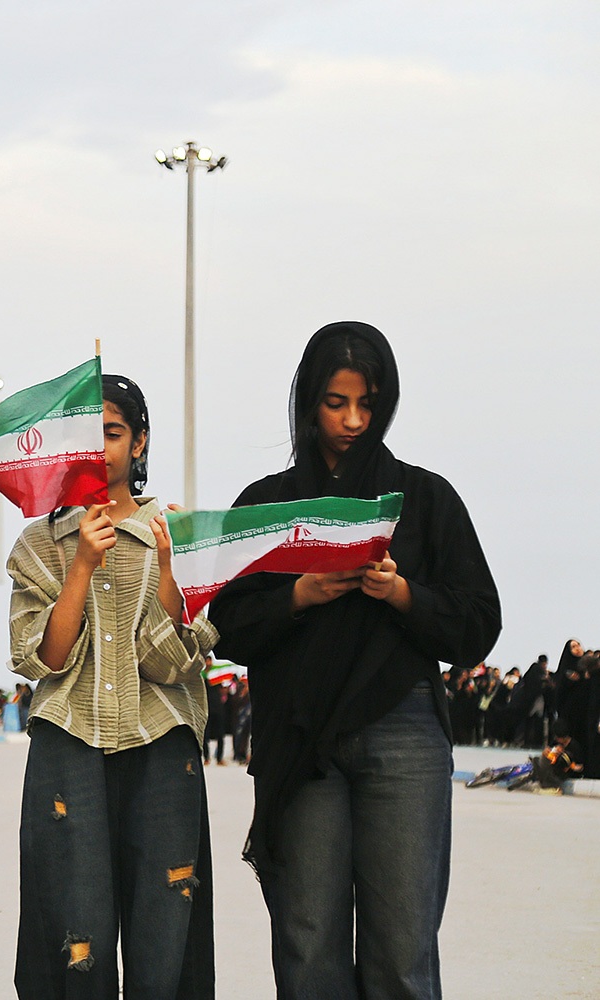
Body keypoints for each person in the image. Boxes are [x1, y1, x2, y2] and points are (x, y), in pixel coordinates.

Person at [209, 322, 500, 1000]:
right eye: (335, 402)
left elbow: (478, 624)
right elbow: (225, 626)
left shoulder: (425, 500)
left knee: (402, 949)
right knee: (308, 946)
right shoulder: (266, 505)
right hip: (299, 738)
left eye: (368, 403)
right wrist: (300, 595)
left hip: (404, 731)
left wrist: (402, 593)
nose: (352, 421)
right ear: (308, 401)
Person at [8, 373, 216, 999]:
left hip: (162, 744)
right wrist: (81, 564)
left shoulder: (179, 531)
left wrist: (171, 573)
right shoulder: (39, 543)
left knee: (164, 932)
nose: (98, 448)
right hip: (67, 746)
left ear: (139, 442)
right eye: (84, 435)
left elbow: (173, 664)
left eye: (113, 432)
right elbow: (45, 658)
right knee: (74, 931)